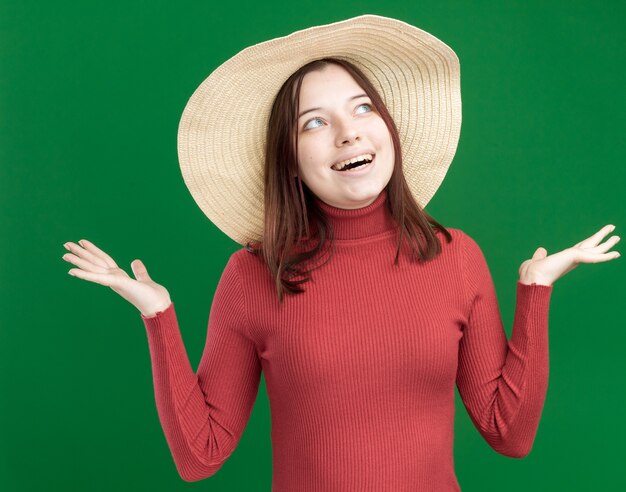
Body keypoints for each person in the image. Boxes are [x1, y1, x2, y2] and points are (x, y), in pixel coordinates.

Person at [61, 15, 620, 491]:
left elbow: (508, 433)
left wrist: (536, 289)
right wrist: (158, 316)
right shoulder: (254, 274)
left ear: (389, 128)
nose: (348, 134)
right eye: (315, 123)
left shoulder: (456, 258)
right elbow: (200, 455)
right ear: (290, 160)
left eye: (362, 109)